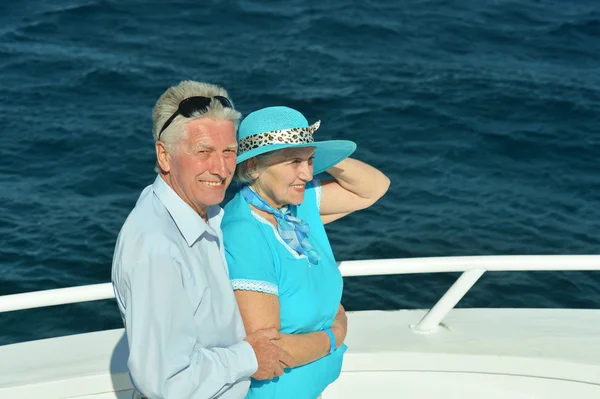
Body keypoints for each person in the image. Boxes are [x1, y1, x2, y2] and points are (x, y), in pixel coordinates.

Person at [111, 82, 294, 399]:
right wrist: (250, 357)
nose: (221, 169)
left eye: (229, 152)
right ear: (164, 156)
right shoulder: (157, 249)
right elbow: (166, 382)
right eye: (204, 152)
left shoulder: (202, 212)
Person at [221, 106, 390, 398]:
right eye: (293, 162)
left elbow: (374, 188)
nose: (307, 172)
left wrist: (316, 153)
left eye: (311, 161)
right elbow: (270, 351)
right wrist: (334, 335)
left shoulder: (297, 204)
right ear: (252, 167)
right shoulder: (243, 234)